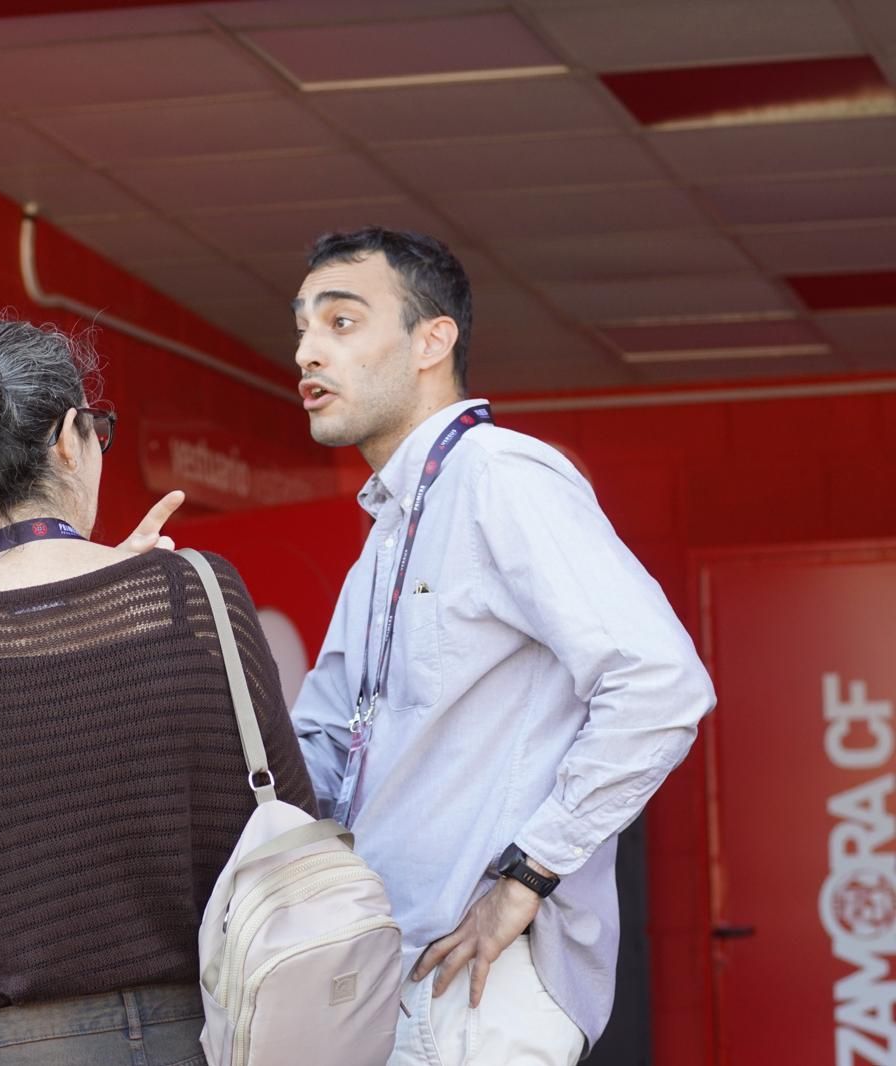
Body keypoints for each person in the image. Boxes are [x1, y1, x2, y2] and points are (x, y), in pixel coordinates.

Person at [287, 227, 717, 1065]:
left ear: (431, 340)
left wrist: (527, 877)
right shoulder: (389, 529)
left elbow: (663, 685)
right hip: (390, 974)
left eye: (340, 323)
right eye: (301, 327)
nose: (306, 351)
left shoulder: (500, 476)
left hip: (484, 986)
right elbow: (322, 748)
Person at [0, 318, 317, 1066]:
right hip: (209, 1020)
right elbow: (289, 806)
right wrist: (131, 595)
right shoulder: (197, 589)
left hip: (13, 1039)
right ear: (70, 437)